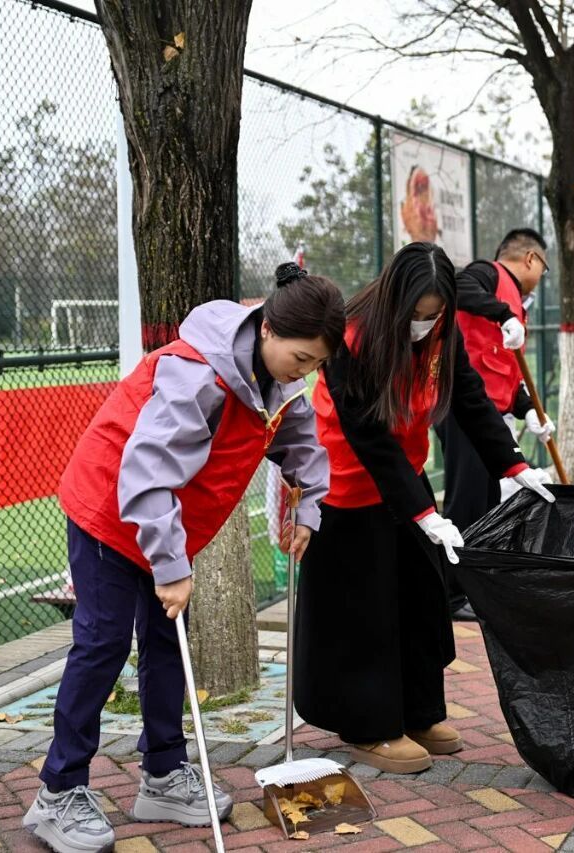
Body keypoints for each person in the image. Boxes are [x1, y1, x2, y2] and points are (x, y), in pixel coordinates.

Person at [25, 264, 345, 853]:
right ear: (269, 330)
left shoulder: (278, 380)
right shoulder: (197, 375)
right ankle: (58, 790)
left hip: (168, 523)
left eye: (317, 364)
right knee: (102, 644)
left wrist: (309, 509)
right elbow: (145, 475)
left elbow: (300, 440)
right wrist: (170, 567)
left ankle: (164, 775)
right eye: (302, 359)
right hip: (112, 509)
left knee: (168, 643)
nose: (307, 374)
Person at [293, 242, 554, 776]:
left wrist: (514, 466)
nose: (425, 324)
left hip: (404, 478)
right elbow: (367, 435)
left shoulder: (442, 329)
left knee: (419, 598)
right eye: (417, 313)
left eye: (435, 313)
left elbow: (469, 397)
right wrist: (422, 511)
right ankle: (368, 725)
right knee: (368, 611)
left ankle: (418, 712)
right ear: (396, 300)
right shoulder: (352, 335)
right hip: (346, 483)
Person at [437, 228, 552, 619]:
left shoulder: (517, 303)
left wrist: (527, 409)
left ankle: (472, 583)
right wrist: (502, 313)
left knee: (485, 502)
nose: (541, 276)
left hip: (487, 414)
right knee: (466, 499)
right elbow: (455, 285)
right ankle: (450, 595)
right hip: (462, 408)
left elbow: (504, 369)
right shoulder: (486, 275)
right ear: (531, 258)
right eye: (544, 267)